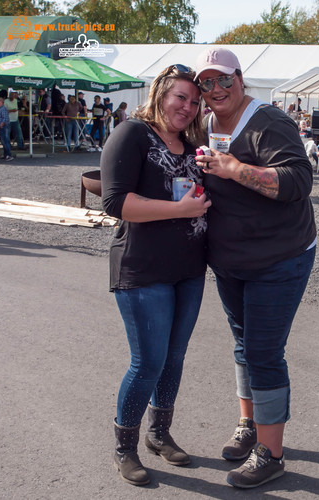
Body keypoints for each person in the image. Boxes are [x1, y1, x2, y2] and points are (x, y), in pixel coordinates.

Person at [194, 47, 316, 489]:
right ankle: (250, 426)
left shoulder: (268, 122)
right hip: (231, 260)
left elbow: (299, 182)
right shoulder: (203, 123)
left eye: (223, 79)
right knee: (244, 346)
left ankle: (272, 454)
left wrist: (235, 169)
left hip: (279, 257)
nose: (215, 89)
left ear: (240, 80)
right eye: (206, 82)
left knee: (264, 353)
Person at [101, 63, 211, 487]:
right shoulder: (132, 133)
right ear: (161, 93)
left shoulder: (191, 142)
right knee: (147, 362)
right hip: (143, 268)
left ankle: (159, 433)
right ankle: (124, 447)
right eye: (180, 97)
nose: (187, 107)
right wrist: (179, 209)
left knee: (174, 358)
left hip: (188, 268)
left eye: (194, 102)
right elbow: (115, 202)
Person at [0, 96, 13, 161]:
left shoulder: (3, 108)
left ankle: (9, 155)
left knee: (6, 141)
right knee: (3, 141)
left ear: (1, 102)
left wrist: (1, 124)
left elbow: (5, 118)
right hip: (1, 127)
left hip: (4, 127)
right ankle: (6, 154)